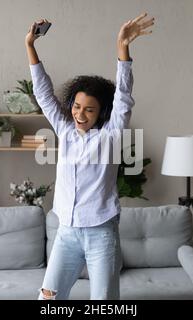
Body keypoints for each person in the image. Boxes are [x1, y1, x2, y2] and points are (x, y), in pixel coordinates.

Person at [25, 13, 154, 300]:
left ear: (101, 113)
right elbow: (44, 95)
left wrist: (123, 50)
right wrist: (31, 46)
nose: (80, 114)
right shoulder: (65, 130)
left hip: (101, 234)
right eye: (77, 106)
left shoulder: (110, 136)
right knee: (48, 298)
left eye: (89, 109)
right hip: (67, 233)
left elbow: (123, 98)